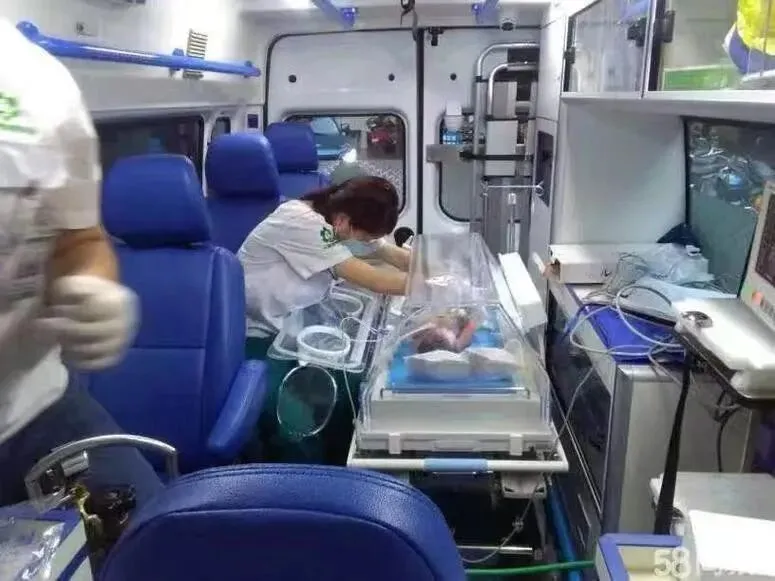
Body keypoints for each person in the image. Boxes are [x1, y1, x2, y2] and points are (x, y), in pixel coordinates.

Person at [0, 20, 161, 507]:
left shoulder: (39, 83)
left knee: (161, 539)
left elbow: (79, 238)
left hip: (34, 408)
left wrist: (94, 284)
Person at [238, 176, 411, 335]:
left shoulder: (337, 215)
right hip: (262, 329)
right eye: (363, 237)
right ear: (343, 220)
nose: (365, 242)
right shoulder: (302, 221)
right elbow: (376, 280)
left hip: (296, 316)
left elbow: (388, 252)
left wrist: (424, 266)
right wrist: (424, 285)